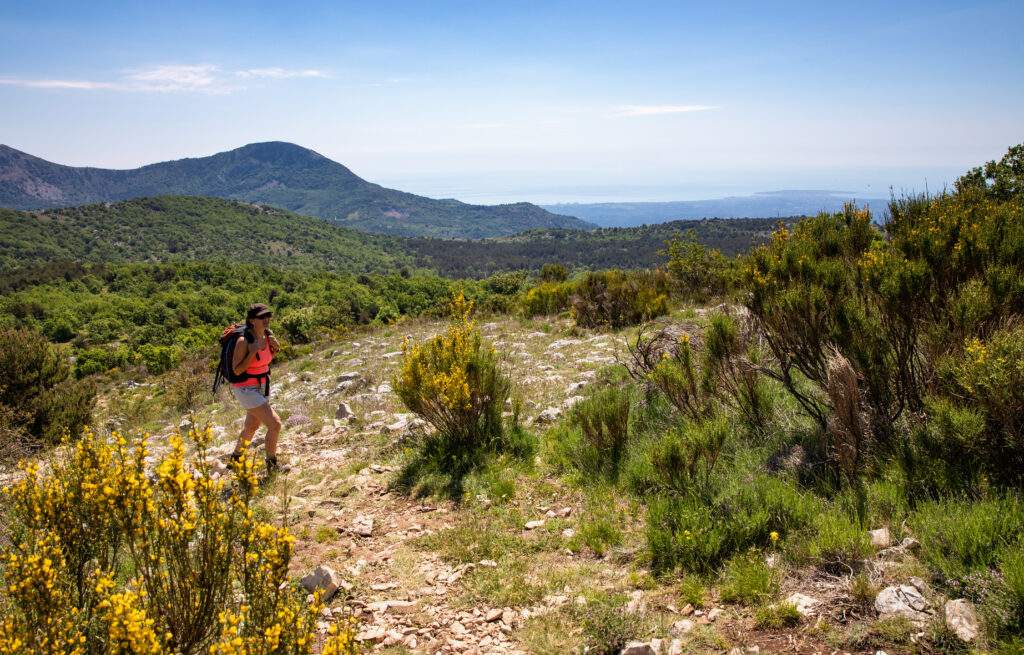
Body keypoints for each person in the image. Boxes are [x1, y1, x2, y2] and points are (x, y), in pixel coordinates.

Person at [229, 303, 284, 473]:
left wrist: (276, 347)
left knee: (252, 426)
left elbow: (265, 360)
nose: (266, 319)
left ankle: (235, 459)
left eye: (268, 315)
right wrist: (251, 351)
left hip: (262, 385)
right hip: (246, 389)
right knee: (275, 424)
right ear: (252, 320)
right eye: (262, 317)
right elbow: (236, 369)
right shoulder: (243, 341)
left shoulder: (268, 335)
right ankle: (272, 465)